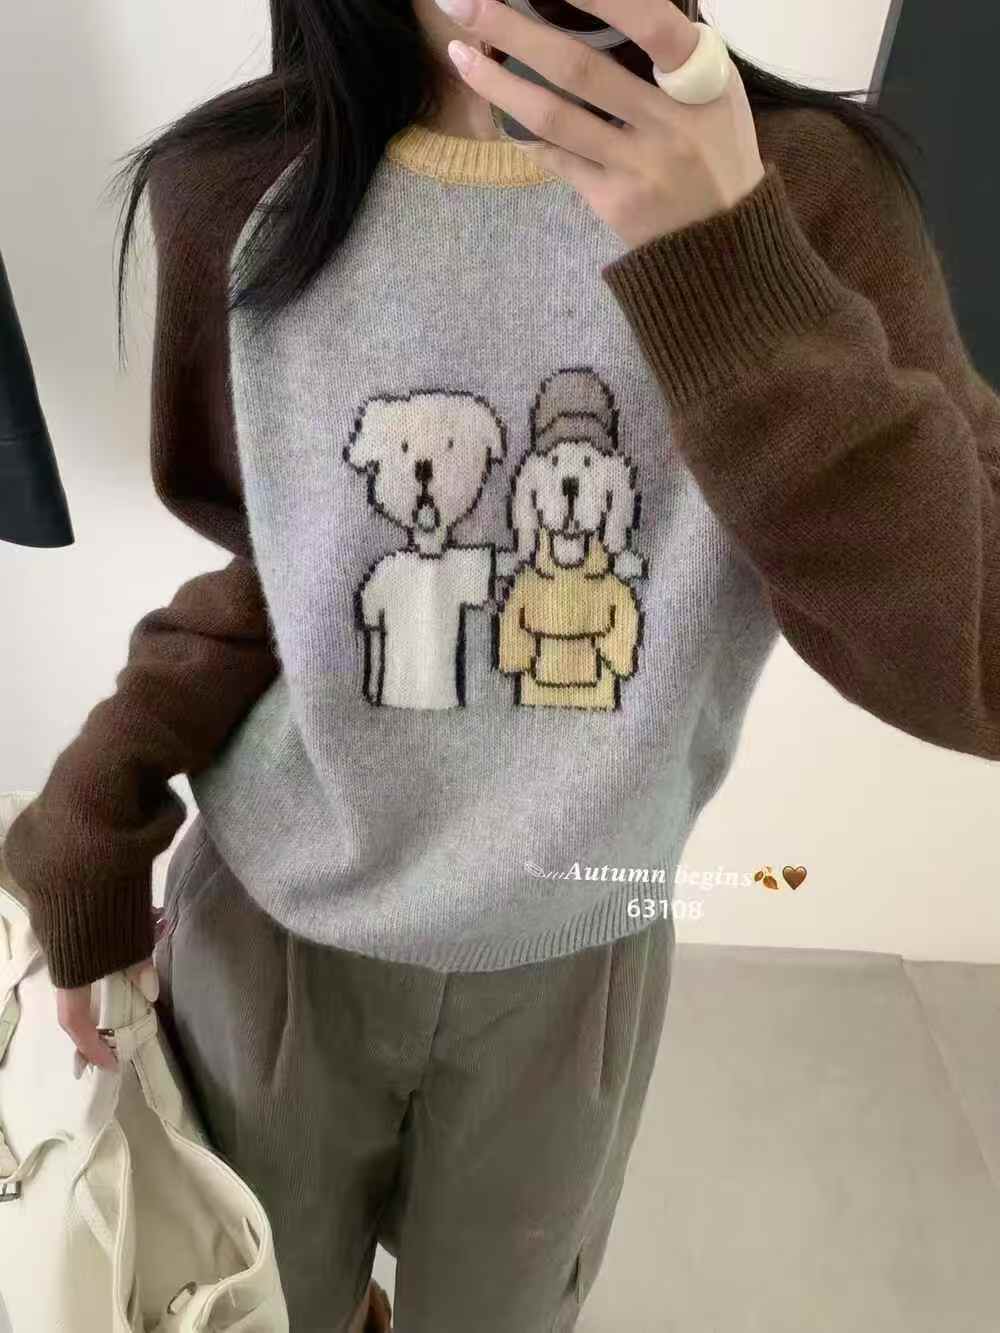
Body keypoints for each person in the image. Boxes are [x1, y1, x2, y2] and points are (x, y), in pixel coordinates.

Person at [5, 0, 999, 1329]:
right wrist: (94, 809)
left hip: (575, 946)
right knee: (256, 1304)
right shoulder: (232, 189)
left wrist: (732, 265)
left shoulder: (811, 192)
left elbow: (973, 660)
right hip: (276, 939)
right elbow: (282, 582)